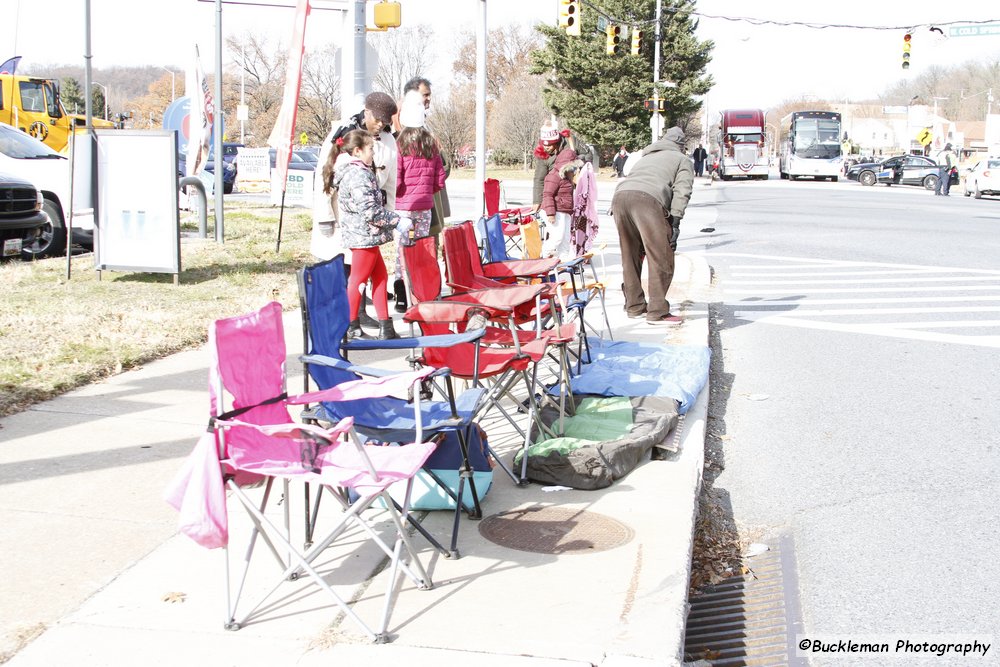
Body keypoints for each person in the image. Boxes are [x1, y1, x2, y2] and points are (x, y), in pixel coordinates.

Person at [312, 91, 398, 332]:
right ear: (367, 112)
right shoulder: (344, 131)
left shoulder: (388, 139)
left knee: (369, 269)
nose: (381, 125)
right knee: (346, 267)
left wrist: (388, 216)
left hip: (371, 211)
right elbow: (325, 173)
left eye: (385, 121)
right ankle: (348, 319)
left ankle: (365, 317)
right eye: (377, 119)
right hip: (346, 208)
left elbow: (390, 180)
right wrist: (324, 214)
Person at [611, 125, 694, 325]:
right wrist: (675, 222)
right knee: (661, 256)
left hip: (620, 198)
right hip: (647, 201)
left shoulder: (646, 156)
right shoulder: (682, 160)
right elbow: (682, 191)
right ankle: (657, 311)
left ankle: (634, 306)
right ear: (681, 145)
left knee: (630, 254)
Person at [323, 129, 401, 340]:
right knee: (358, 280)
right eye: (370, 149)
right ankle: (351, 325)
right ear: (357, 151)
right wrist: (398, 221)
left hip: (366, 235)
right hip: (363, 236)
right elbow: (370, 211)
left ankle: (386, 327)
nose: (373, 154)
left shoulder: (357, 171)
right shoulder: (358, 174)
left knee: (380, 277)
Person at [393, 89, 446, 312]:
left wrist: (396, 195)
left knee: (402, 248)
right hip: (425, 205)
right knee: (423, 247)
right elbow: (440, 178)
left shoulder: (401, 144)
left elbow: (397, 176)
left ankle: (402, 293)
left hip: (403, 206)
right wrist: (427, 192)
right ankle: (424, 291)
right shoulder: (431, 143)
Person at [540, 125, 583, 260]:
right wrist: (551, 214)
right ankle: (543, 257)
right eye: (572, 168)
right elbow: (547, 195)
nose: (574, 171)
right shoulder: (554, 176)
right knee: (557, 238)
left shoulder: (569, 179)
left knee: (565, 239)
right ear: (566, 167)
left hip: (565, 210)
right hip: (554, 210)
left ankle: (563, 261)